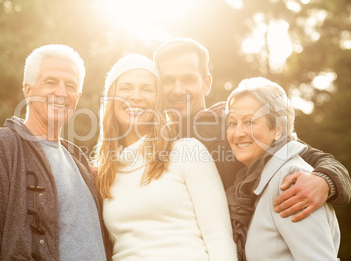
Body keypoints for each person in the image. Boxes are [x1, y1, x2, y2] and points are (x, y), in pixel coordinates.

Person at [153, 37, 351, 222]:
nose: (178, 90)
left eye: (188, 79)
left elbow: (319, 159)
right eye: (168, 81)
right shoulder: (153, 144)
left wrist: (324, 181)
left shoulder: (236, 124)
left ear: (206, 84)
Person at [0, 44, 108, 260]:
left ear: (78, 96)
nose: (61, 93)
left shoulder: (81, 163)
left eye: (70, 85)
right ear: (28, 89)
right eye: (51, 82)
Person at [94, 54, 237, 260]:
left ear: (157, 101)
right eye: (126, 88)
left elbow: (219, 238)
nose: (136, 96)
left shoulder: (186, 152)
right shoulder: (104, 173)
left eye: (146, 88)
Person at [225, 77, 340, 260]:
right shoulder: (257, 181)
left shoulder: (290, 180)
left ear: (278, 129)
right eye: (232, 123)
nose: (238, 133)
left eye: (250, 122)